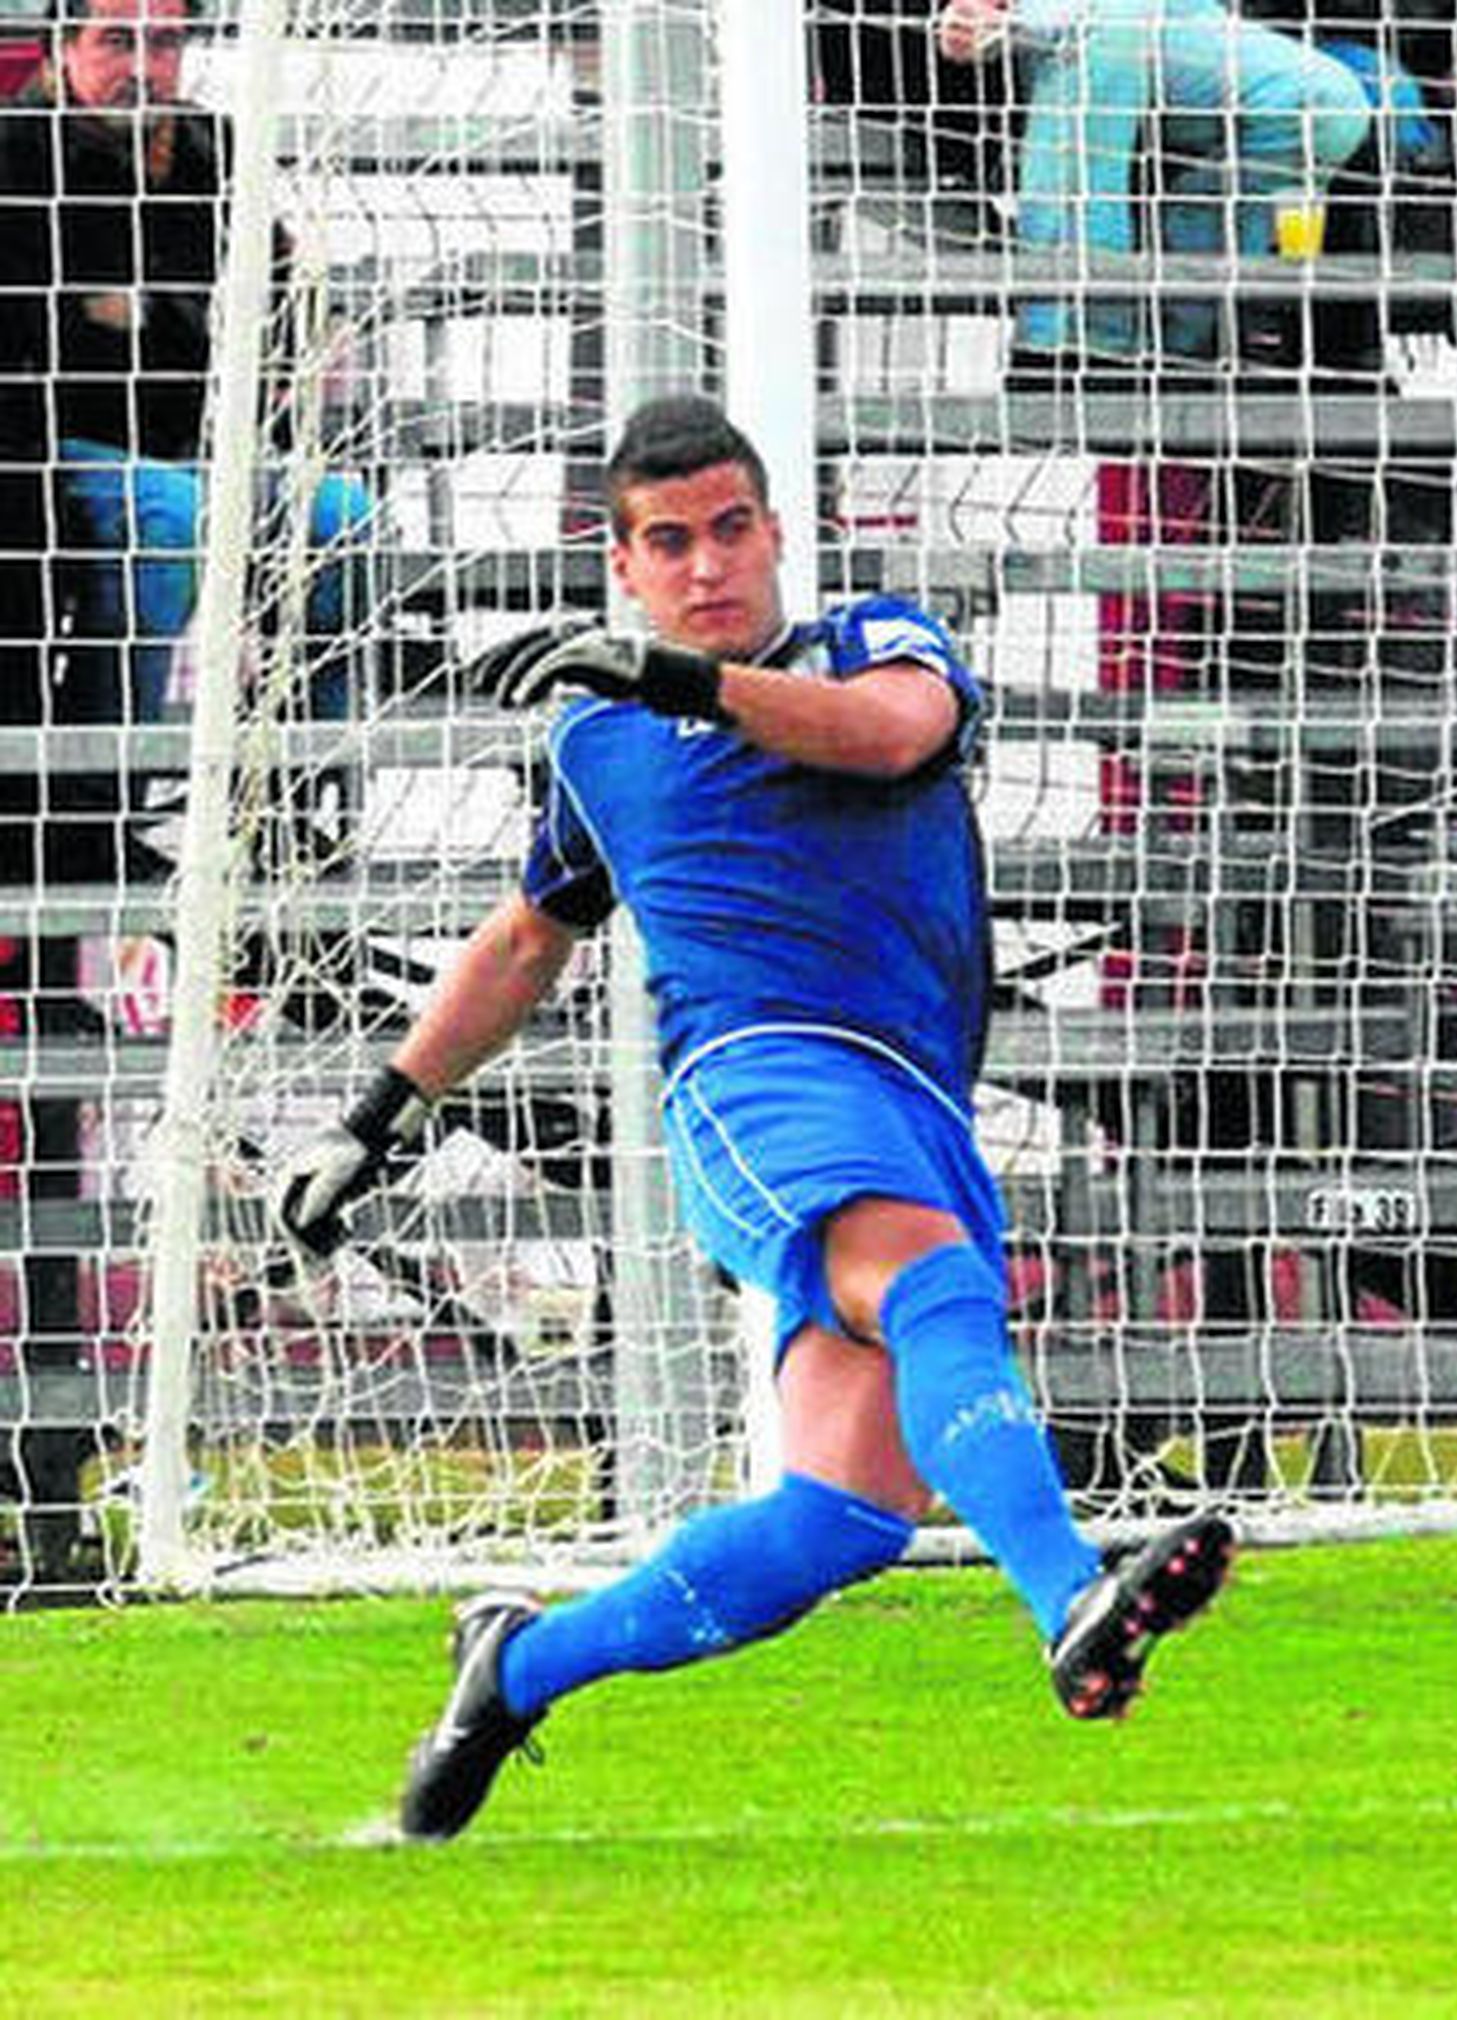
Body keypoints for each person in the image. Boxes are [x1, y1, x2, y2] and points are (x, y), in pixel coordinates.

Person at [272, 394, 1237, 1841]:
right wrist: (380, 1112)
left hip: (914, 1096)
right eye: (671, 543)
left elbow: (888, 737)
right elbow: (529, 939)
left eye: (732, 529)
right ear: (625, 560)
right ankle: (1070, 1600)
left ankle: (512, 1667)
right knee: (929, 1278)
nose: (708, 564)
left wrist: (683, 682)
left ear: (777, 530)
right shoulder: (600, 747)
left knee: (833, 1527)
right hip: (753, 1081)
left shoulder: (872, 644)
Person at [0, 0, 373, 736]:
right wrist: (176, 327)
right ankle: (99, 806)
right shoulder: (15, 153)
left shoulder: (213, 146)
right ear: (62, 45)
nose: (142, 69)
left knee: (342, 520)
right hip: (56, 454)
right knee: (169, 517)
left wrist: (302, 350)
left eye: (165, 43)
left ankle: (290, 797)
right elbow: (45, 345)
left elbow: (284, 296)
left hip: (201, 446)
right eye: (117, 43)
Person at [936, 0, 1373, 373]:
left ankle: (1184, 330)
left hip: (1182, 19)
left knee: (1328, 103)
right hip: (1055, 22)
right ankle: (1073, 334)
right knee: (1104, 23)